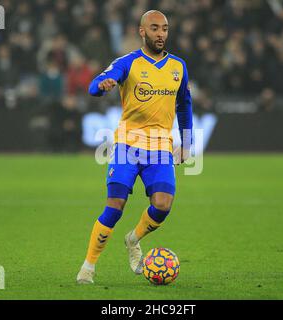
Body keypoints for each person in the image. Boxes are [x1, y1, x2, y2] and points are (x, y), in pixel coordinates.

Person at [76, 10, 193, 284]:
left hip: (161, 148)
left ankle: (134, 239)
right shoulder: (127, 63)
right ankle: (88, 266)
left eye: (164, 29)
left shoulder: (178, 67)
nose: (161, 34)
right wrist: (102, 85)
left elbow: (184, 104)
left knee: (163, 205)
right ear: (142, 32)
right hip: (128, 145)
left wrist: (187, 142)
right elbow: (94, 86)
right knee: (115, 206)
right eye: (154, 28)